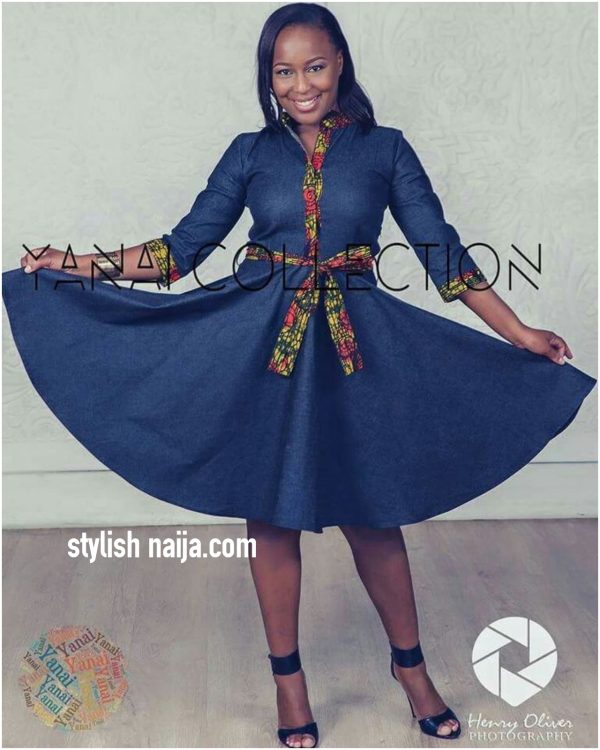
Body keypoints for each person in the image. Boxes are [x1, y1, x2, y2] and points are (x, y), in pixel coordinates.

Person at [3, 3, 596, 748]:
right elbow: (180, 252)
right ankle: (289, 682)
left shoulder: (386, 150)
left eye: (314, 66)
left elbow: (441, 252)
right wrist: (75, 264)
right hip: (263, 348)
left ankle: (411, 669)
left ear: (340, 62)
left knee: (373, 516)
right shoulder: (250, 153)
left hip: (354, 350)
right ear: (269, 79)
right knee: (272, 516)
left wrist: (519, 333)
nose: (301, 85)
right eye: (283, 72)